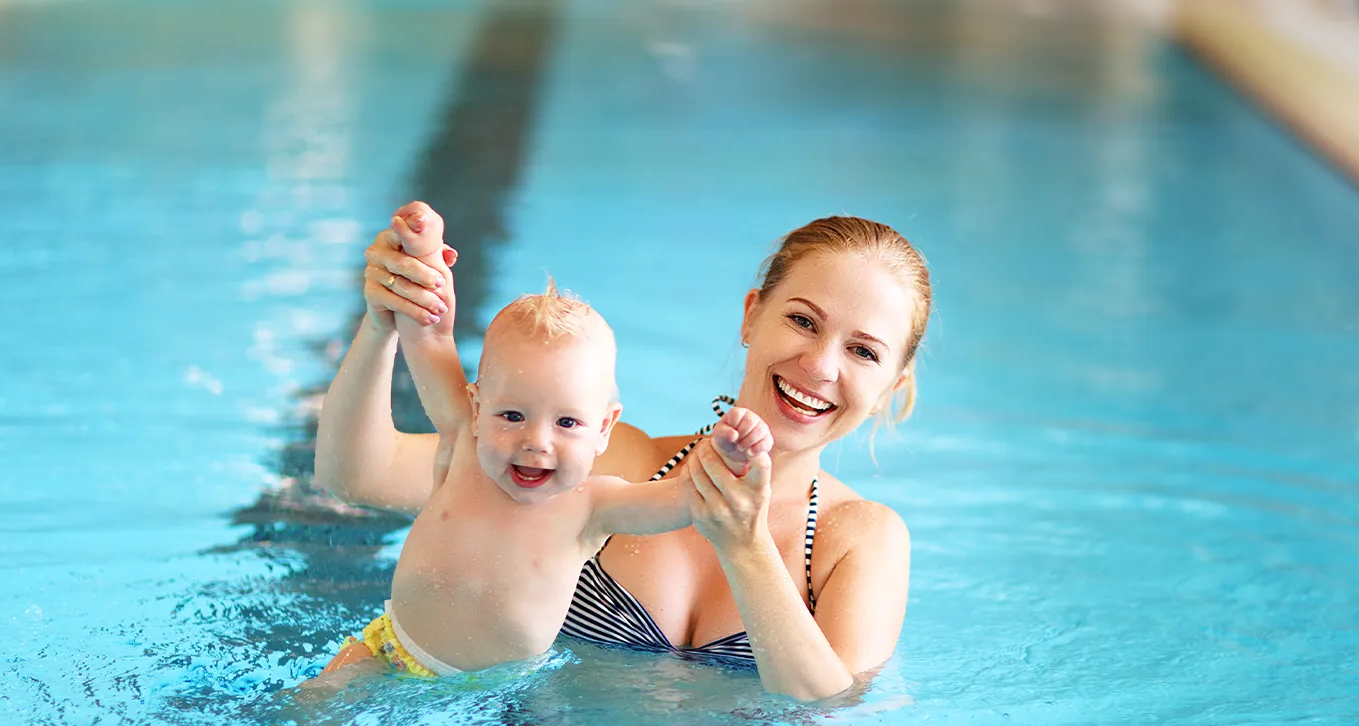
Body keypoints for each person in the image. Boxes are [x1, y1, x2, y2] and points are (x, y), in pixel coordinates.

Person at [330, 202, 928, 700]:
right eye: (803, 321)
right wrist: (384, 322)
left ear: (889, 390)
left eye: (864, 352)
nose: (820, 365)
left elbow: (834, 721)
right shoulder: (594, 459)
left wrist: (744, 547)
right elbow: (360, 476)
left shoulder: (860, 539)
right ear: (753, 317)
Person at [308, 212, 771, 681]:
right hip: (389, 651)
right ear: (476, 406)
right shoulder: (465, 445)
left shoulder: (592, 506)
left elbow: (684, 500)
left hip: (494, 697)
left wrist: (730, 460)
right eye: (511, 416)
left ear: (604, 427)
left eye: (567, 422)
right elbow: (429, 333)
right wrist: (422, 251)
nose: (536, 443)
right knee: (303, 723)